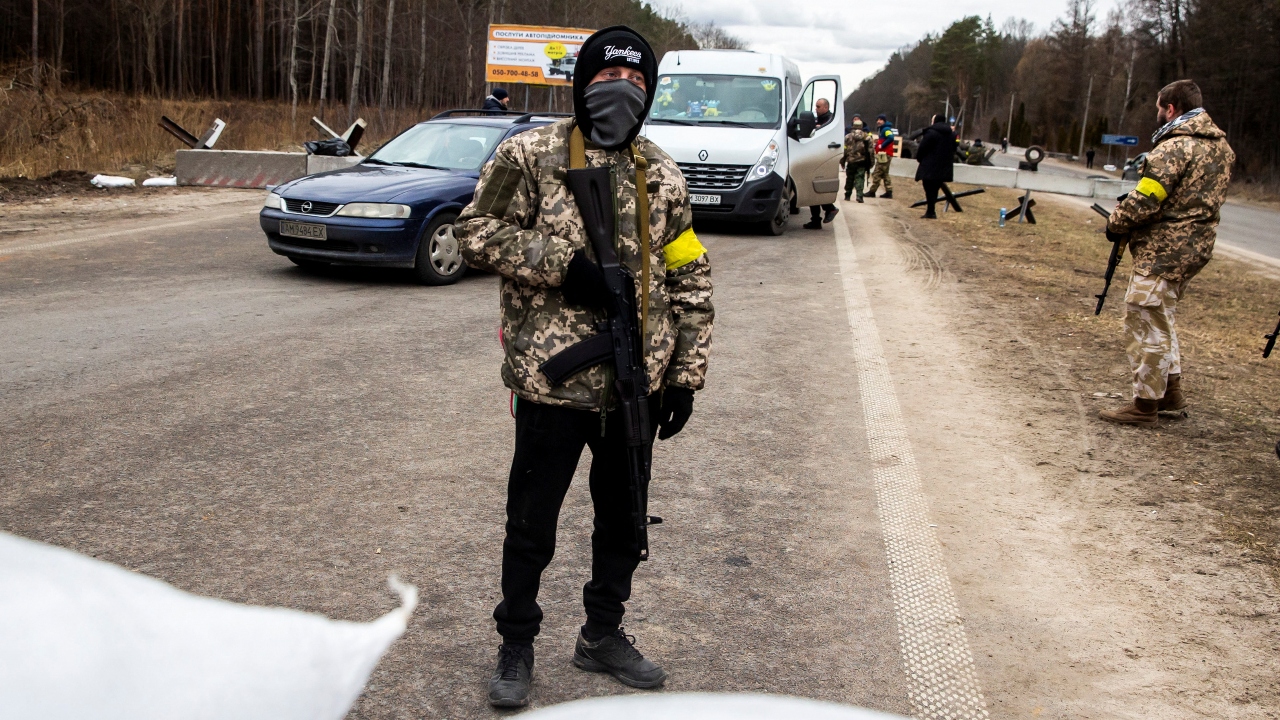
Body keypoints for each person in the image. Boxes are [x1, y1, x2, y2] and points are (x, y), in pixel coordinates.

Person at [455, 25, 715, 708]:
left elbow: (690, 275)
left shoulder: (662, 172)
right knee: (531, 522)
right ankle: (516, 642)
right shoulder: (530, 154)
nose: (620, 92)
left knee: (624, 520)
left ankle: (602, 634)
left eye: (635, 83)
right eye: (606, 79)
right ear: (580, 85)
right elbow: (475, 230)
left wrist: (685, 373)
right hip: (553, 383)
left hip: (638, 385)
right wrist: (563, 267)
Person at [1100, 80, 1234, 427]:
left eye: (1160, 109)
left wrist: (1116, 222)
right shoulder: (1220, 148)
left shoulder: (1174, 148)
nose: (1158, 116)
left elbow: (1147, 196)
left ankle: (1145, 404)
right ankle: (1170, 391)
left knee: (1144, 319)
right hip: (1195, 247)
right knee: (1162, 316)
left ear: (1170, 109)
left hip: (1164, 249)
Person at [803, 98, 839, 229]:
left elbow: (826, 133)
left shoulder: (829, 120)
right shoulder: (820, 119)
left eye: (818, 106)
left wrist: (818, 128)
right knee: (813, 188)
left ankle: (830, 208)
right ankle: (816, 219)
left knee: (816, 187)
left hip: (822, 157)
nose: (816, 109)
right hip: (815, 156)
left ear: (825, 107)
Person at [914, 114, 958, 219]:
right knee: (935, 188)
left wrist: (920, 159)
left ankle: (931, 211)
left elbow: (922, 148)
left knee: (928, 187)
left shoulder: (931, 133)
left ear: (935, 121)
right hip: (944, 166)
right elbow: (954, 149)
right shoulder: (951, 134)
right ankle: (931, 210)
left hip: (930, 165)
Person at [841, 118, 874, 203]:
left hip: (851, 161)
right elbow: (871, 152)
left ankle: (847, 195)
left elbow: (844, 150)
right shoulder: (867, 137)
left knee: (850, 178)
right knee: (860, 178)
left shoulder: (847, 137)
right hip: (862, 161)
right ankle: (859, 196)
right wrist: (871, 163)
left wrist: (842, 161)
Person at [866, 114, 895, 199]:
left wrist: (881, 146)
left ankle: (872, 191)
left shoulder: (886, 129)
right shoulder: (882, 129)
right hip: (885, 154)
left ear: (884, 121)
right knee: (885, 173)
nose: (878, 121)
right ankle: (889, 191)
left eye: (881, 120)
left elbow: (891, 138)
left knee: (877, 172)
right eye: (878, 120)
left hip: (884, 155)